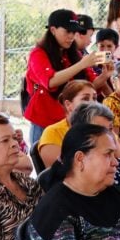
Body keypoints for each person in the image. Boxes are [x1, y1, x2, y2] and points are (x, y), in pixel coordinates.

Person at [68, 103, 120, 234]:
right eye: (101, 131)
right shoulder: (77, 179)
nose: (110, 136)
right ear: (82, 135)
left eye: (110, 129)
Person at [24, 9, 104, 144]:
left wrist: (106, 74)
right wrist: (81, 65)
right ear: (53, 30)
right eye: (67, 31)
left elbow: (90, 86)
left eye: (74, 32)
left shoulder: (72, 54)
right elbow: (50, 81)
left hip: (70, 122)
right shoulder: (38, 54)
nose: (71, 36)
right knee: (48, 163)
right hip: (46, 122)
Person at [36, 80, 96, 168]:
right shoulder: (53, 132)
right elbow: (66, 171)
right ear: (68, 105)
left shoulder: (99, 127)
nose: (93, 103)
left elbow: (118, 160)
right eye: (85, 99)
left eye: (94, 98)